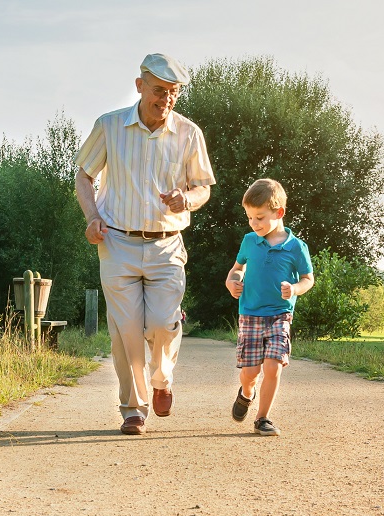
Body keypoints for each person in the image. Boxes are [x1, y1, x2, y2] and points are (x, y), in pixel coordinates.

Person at [74, 53, 216, 435]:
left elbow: (203, 186)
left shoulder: (189, 133)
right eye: (159, 91)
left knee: (162, 324)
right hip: (117, 241)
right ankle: (133, 409)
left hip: (167, 245)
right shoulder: (109, 126)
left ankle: (162, 379)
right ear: (140, 86)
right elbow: (84, 176)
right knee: (126, 330)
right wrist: (91, 217)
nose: (165, 100)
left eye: (173, 93)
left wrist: (188, 199)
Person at [224, 178, 314, 436]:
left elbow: (308, 279)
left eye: (260, 218)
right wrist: (233, 282)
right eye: (250, 218)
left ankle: (262, 418)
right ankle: (246, 392)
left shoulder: (297, 247)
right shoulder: (249, 241)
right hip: (250, 314)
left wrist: (295, 288)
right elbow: (237, 269)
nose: (254, 224)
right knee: (250, 373)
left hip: (280, 315)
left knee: (273, 366)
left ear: (279, 212)